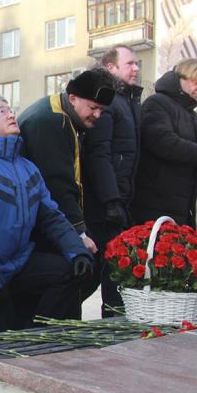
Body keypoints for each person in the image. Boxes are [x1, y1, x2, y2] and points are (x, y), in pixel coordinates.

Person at [0, 96, 93, 331]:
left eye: (11, 110)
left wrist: (77, 251)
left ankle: (40, 338)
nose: (11, 114)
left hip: (16, 268)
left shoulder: (27, 167)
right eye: (1, 111)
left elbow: (51, 216)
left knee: (68, 271)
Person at [17, 69, 116, 314]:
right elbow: (58, 185)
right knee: (76, 272)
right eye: (93, 107)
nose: (97, 115)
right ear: (73, 98)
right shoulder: (53, 121)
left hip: (41, 220)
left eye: (102, 110)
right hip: (40, 226)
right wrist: (79, 233)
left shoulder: (60, 114)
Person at [82, 46, 143, 317]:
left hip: (119, 201)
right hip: (104, 206)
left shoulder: (128, 102)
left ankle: (113, 324)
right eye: (129, 63)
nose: (136, 69)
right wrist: (111, 200)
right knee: (98, 272)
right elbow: (99, 153)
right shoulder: (107, 101)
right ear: (111, 68)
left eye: (137, 64)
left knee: (112, 272)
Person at [131, 58, 197, 228]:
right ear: (181, 79)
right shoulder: (157, 103)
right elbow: (164, 142)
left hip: (183, 208)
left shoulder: (195, 118)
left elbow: (192, 158)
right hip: (153, 206)